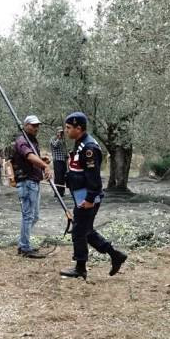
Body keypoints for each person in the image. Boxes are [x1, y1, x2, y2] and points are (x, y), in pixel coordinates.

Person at [60, 112, 127, 279]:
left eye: (68, 128)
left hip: (87, 197)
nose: (65, 130)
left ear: (79, 128)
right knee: (85, 230)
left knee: (78, 232)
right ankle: (115, 255)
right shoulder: (79, 144)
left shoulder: (89, 148)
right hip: (80, 195)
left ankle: (80, 267)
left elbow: (94, 178)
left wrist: (89, 200)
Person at [11, 115, 50, 259]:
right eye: (33, 125)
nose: (36, 128)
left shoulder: (32, 140)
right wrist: (44, 165)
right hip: (27, 182)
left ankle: (23, 242)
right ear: (25, 125)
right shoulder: (22, 140)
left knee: (34, 216)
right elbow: (28, 156)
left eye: (37, 125)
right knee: (28, 216)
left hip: (34, 181)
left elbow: (32, 158)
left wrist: (42, 161)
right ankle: (25, 247)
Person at [50, 129, 68, 197]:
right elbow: (55, 145)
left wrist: (66, 155)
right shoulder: (53, 139)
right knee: (58, 177)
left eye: (61, 132)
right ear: (56, 132)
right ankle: (57, 193)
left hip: (63, 160)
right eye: (59, 132)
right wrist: (59, 138)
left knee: (63, 177)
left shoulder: (63, 140)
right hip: (57, 160)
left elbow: (64, 150)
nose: (60, 133)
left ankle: (62, 192)